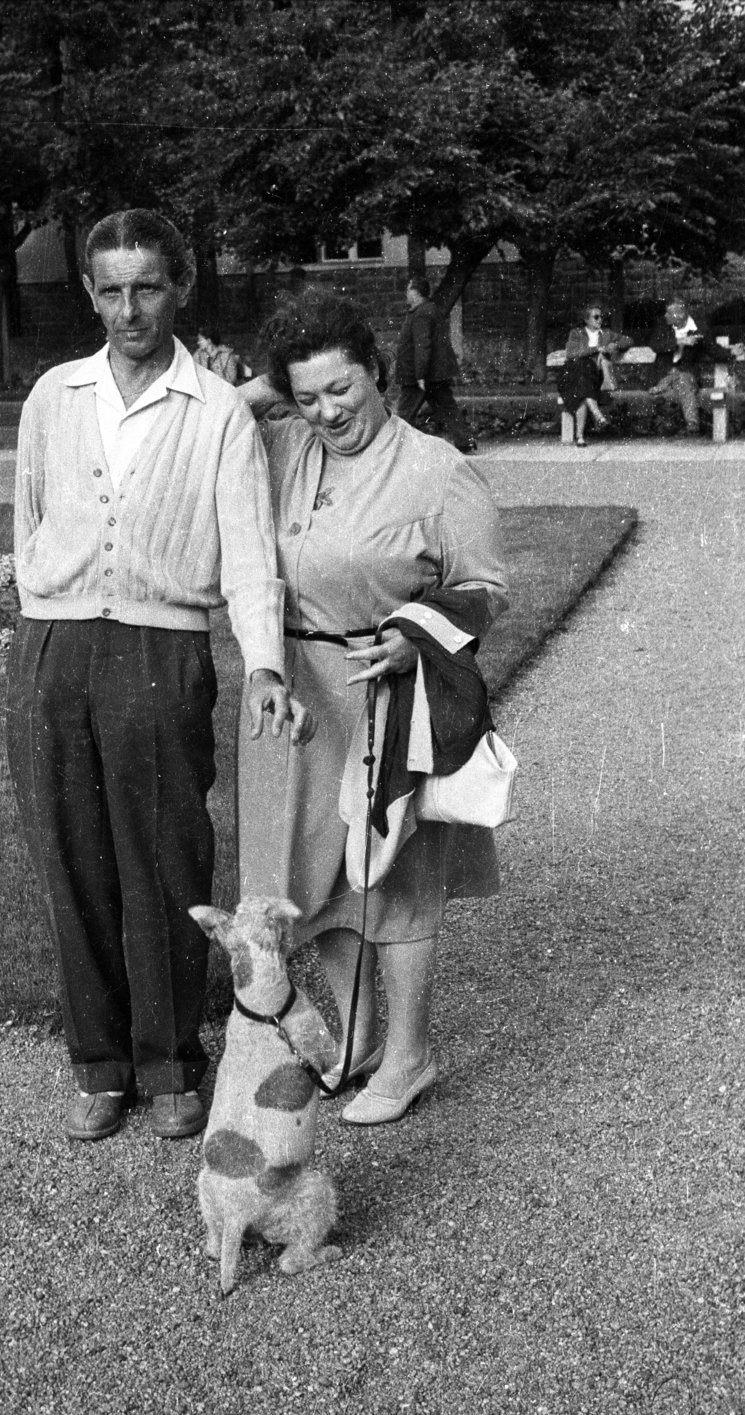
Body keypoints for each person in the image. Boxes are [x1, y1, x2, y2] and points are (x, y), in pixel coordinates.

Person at [6, 209, 314, 1145]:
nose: (128, 309)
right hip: (53, 650)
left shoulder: (215, 409)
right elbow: (29, 519)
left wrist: (262, 662)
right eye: (110, 289)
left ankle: (171, 1060)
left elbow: (250, 554)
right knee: (73, 860)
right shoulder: (53, 394)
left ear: (178, 288)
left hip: (158, 650)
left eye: (146, 287)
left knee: (164, 861)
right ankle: (100, 1066)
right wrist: (47, 619)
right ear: (90, 294)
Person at [238, 288, 508, 1126]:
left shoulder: (436, 468)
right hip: (295, 693)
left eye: (342, 390)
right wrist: (267, 387)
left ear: (377, 373)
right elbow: (208, 414)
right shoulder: (278, 446)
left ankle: (409, 1055)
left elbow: (484, 589)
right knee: (313, 876)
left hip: (388, 696)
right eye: (306, 396)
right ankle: (353, 1035)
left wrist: (413, 637)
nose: (326, 412)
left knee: (392, 884)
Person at [393, 275, 476, 453]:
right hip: (435, 373)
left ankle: (395, 448)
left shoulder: (422, 313)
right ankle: (465, 441)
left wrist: (420, 375)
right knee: (447, 407)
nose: (406, 293)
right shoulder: (430, 310)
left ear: (416, 292)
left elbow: (423, 345)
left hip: (419, 375)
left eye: (408, 289)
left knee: (405, 413)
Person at [557, 303, 631, 447]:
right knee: (582, 380)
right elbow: (572, 353)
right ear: (586, 320)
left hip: (593, 377)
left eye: (601, 316)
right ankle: (597, 417)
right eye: (596, 317)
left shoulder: (607, 334)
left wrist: (614, 346)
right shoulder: (576, 333)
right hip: (572, 375)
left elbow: (628, 340)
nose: (600, 320)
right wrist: (596, 348)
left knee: (583, 389)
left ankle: (580, 437)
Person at [649, 299, 709, 435]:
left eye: (669, 313)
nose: (665, 316)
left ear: (681, 314)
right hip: (665, 372)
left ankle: (692, 424)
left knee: (683, 380)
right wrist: (679, 341)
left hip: (686, 374)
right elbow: (654, 345)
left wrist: (731, 352)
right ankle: (692, 423)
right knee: (679, 380)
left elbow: (712, 348)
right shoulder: (663, 326)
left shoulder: (698, 328)